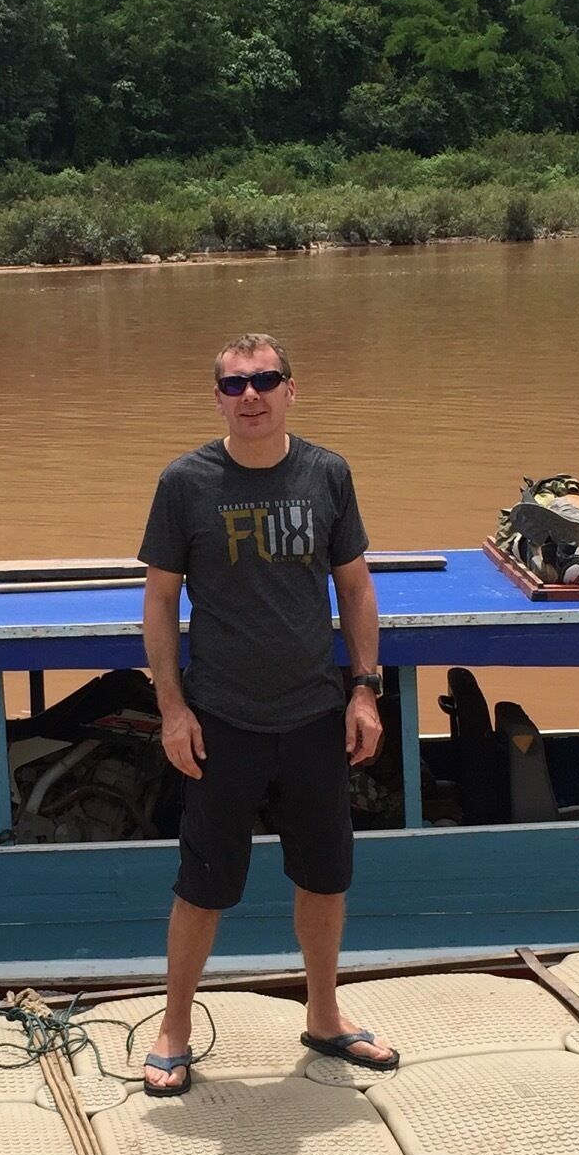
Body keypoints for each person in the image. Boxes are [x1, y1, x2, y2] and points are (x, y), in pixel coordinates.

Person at [136, 334, 399, 1096]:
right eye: (234, 384)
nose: (250, 395)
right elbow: (158, 601)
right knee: (204, 884)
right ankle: (175, 1026)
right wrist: (173, 707)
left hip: (317, 714)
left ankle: (323, 1015)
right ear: (216, 396)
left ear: (291, 389)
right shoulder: (185, 482)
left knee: (324, 877)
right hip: (222, 719)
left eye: (265, 381)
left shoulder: (327, 473)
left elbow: (354, 587)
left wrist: (364, 688)